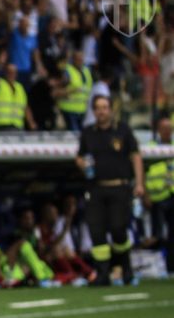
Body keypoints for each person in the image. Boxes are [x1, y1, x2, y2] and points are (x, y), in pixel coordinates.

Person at [75, 95, 145, 285]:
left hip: (119, 187)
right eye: (98, 108)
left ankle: (125, 268)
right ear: (93, 111)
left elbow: (136, 156)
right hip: (96, 189)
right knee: (96, 231)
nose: (101, 111)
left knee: (118, 229)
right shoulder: (88, 133)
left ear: (111, 110)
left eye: (105, 107)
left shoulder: (122, 130)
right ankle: (102, 274)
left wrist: (139, 183)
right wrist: (82, 164)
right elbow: (80, 156)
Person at [144, 116, 174, 272]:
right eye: (164, 128)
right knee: (159, 234)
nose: (167, 131)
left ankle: (171, 267)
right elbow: (143, 173)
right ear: (158, 130)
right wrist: (145, 194)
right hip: (158, 197)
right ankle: (158, 266)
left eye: (169, 128)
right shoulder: (150, 148)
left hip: (172, 193)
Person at [0, 63, 35, 131]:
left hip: (17, 125)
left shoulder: (19, 87)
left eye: (13, 72)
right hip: (1, 125)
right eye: (9, 72)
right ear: (5, 73)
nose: (11, 74)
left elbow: (25, 107)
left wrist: (31, 123)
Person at [57, 50, 91, 132]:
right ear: (73, 59)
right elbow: (57, 91)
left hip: (82, 109)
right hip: (69, 109)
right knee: (74, 135)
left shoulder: (86, 71)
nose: (80, 61)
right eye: (77, 59)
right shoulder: (67, 71)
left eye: (81, 58)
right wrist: (71, 91)